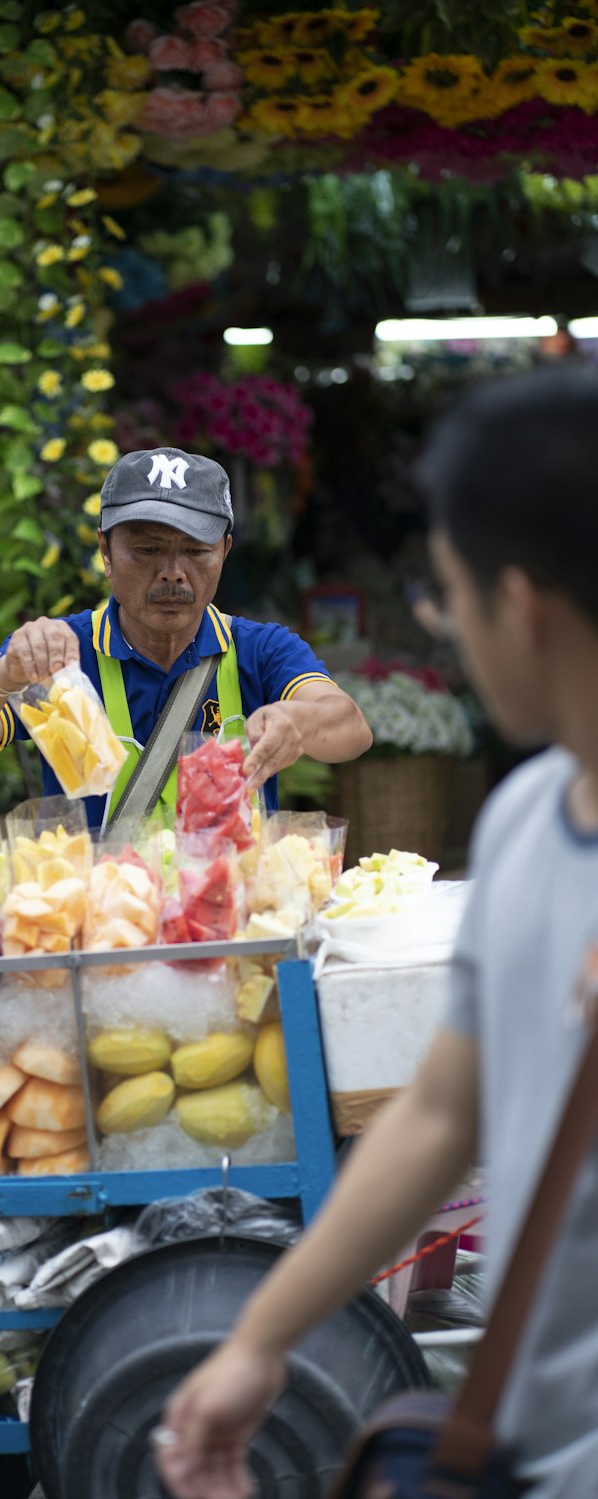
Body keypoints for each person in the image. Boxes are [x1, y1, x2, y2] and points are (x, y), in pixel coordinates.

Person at [155, 366, 598, 1499]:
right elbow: (444, 1112)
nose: (445, 631)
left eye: (446, 600)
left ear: (524, 606)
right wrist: (263, 1337)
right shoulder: (524, 822)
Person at [0, 447, 372, 826]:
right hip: (97, 923)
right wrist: (4, 677)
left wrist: (299, 722)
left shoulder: (262, 651)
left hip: (227, 923)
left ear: (225, 552)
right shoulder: (58, 655)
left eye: (196, 551)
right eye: (147, 550)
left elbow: (351, 730)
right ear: (106, 553)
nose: (173, 574)